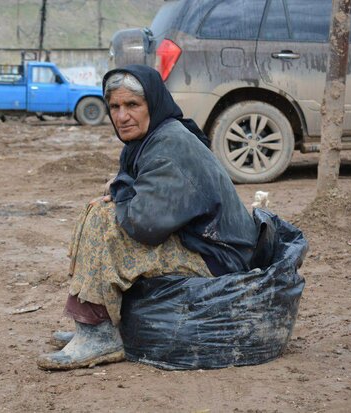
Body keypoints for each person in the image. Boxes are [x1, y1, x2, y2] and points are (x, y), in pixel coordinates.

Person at [37, 65, 258, 370]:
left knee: (105, 221)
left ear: (152, 104)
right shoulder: (151, 139)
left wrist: (119, 190)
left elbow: (145, 224)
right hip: (199, 242)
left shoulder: (169, 145)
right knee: (99, 212)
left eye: (132, 105)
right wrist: (120, 190)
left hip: (219, 259)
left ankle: (99, 334)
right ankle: (94, 325)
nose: (122, 115)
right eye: (114, 106)